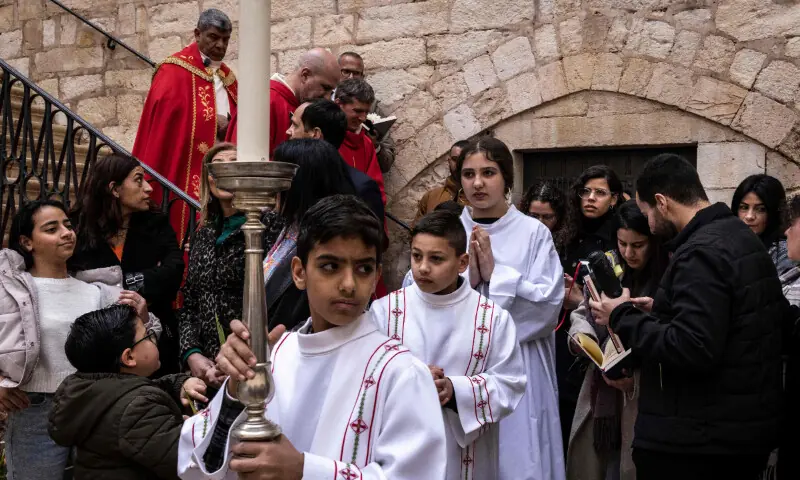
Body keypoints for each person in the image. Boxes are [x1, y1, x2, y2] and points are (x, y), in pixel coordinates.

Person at [178, 195, 447, 479]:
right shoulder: (275, 355)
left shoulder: (401, 373)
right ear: (299, 272)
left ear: (376, 277)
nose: (349, 284)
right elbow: (196, 466)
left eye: (364, 269)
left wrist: (304, 469)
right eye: (330, 266)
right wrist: (235, 391)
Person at [589, 154, 784, 480]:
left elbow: (693, 347)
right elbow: (725, 320)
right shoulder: (737, 236)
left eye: (647, 213)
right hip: (729, 436)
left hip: (697, 444)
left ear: (662, 202)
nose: (649, 224)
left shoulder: (700, 252)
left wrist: (621, 313)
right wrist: (661, 310)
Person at [0, 200, 151, 480]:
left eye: (68, 225)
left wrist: (144, 317)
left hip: (93, 407)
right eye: (51, 228)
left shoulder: (97, 292)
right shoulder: (10, 291)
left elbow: (139, 343)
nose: (66, 233)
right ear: (27, 242)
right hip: (34, 409)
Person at [369, 210, 526, 479]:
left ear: (462, 262)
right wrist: (413, 380)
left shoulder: (491, 318)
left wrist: (455, 391)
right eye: (416, 256)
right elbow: (365, 377)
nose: (423, 267)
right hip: (400, 447)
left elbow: (510, 383)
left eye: (436, 258)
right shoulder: (385, 311)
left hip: (465, 459)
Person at [457, 137, 565, 480]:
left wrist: (497, 276)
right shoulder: (448, 231)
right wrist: (468, 278)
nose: (477, 183)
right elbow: (419, 292)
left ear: (506, 177)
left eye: (488, 173)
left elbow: (548, 305)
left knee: (519, 458)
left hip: (521, 363)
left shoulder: (533, 233)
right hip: (461, 365)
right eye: (469, 174)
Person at [566, 200, 668, 480]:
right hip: (602, 388)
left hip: (643, 390)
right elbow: (583, 311)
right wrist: (582, 336)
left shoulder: (666, 275)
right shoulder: (607, 266)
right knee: (601, 463)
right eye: (622, 244)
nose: (628, 253)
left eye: (638, 245)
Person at [48, 305, 207, 480]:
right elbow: (189, 462)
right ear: (129, 357)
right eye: (147, 336)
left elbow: (148, 388)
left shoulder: (95, 391)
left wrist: (179, 384)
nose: (153, 339)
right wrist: (196, 427)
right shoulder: (138, 409)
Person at [177, 143, 284, 389]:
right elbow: (190, 300)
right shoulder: (203, 234)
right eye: (217, 167)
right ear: (208, 179)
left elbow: (276, 299)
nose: (225, 172)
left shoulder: (269, 226)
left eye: (233, 163)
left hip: (253, 361)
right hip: (207, 368)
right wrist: (192, 353)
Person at [70, 154, 184, 376]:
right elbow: (73, 279)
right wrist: (149, 279)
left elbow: (174, 271)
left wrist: (118, 283)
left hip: (153, 341)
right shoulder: (78, 229)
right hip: (101, 345)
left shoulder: (155, 222)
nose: (149, 188)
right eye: (138, 180)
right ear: (114, 189)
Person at [132, 9, 236, 244]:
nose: (220, 45)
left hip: (222, 172)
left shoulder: (229, 78)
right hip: (183, 170)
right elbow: (165, 128)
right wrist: (212, 122)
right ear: (197, 34)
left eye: (225, 39)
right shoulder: (173, 71)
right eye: (213, 37)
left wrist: (230, 124)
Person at [262, 139, 363, 332]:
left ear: (299, 183)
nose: (271, 185)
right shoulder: (287, 227)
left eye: (278, 176)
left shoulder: (327, 243)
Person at [557, 165, 623, 457]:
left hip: (603, 340)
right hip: (565, 336)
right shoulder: (569, 235)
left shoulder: (619, 238)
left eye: (600, 192)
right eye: (585, 191)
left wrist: (580, 301)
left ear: (614, 198)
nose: (591, 198)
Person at [285, 98, 384, 222]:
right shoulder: (291, 177)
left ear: (315, 134)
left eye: (295, 125)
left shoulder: (360, 187)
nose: (288, 131)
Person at [225, 47, 340, 153]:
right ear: (305, 75)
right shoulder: (264, 101)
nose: (327, 98)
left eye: (331, 92)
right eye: (325, 88)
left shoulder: (301, 104)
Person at [337, 51, 396, 173]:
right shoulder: (322, 100)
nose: (351, 77)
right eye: (346, 71)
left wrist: (375, 146)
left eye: (356, 73)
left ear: (362, 77)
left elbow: (387, 162)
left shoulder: (373, 108)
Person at [732, 174, 795, 277]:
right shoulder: (727, 246)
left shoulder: (787, 253)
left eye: (760, 209)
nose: (749, 216)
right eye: (744, 207)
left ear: (774, 213)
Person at [335, 78, 386, 204]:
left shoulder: (366, 143)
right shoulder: (324, 138)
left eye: (366, 112)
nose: (363, 118)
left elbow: (376, 189)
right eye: (357, 111)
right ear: (338, 104)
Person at [415, 140, 471, 221]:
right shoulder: (430, 197)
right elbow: (417, 228)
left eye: (464, 160)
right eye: (455, 159)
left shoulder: (482, 199)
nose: (459, 164)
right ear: (449, 161)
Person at [520, 180, 573, 259]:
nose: (540, 222)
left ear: (558, 217)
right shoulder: (516, 239)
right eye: (534, 216)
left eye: (547, 217)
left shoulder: (569, 246)